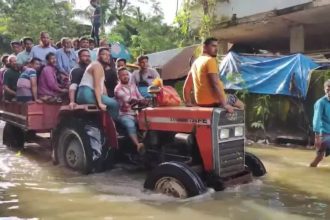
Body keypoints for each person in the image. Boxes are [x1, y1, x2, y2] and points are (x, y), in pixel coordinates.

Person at [183, 37, 244, 113]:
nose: (216, 49)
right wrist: (225, 104)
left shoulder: (195, 63)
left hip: (200, 102)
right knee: (241, 105)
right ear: (204, 47)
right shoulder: (210, 60)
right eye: (213, 46)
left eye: (216, 46)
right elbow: (215, 84)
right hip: (214, 101)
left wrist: (188, 102)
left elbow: (186, 86)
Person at [76, 47, 119, 119]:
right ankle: (110, 127)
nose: (107, 57)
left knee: (112, 102)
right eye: (104, 54)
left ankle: (105, 124)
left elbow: (103, 87)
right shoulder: (96, 65)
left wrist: (107, 98)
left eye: (108, 55)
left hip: (88, 93)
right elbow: (97, 86)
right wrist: (100, 103)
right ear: (98, 56)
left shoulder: (100, 67)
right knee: (115, 104)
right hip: (86, 92)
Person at [115, 67, 145, 153]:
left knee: (149, 121)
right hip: (125, 114)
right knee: (130, 125)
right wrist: (139, 101)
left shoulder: (133, 85)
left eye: (127, 74)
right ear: (119, 77)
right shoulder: (118, 89)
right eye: (123, 75)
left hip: (137, 113)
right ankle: (138, 145)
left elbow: (140, 96)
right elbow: (128, 99)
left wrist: (145, 99)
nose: (125, 76)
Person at [310, 80, 330, 167]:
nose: (329, 92)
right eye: (328, 89)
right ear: (324, 89)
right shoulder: (321, 102)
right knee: (320, 156)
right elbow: (316, 119)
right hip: (324, 133)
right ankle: (310, 169)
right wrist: (317, 136)